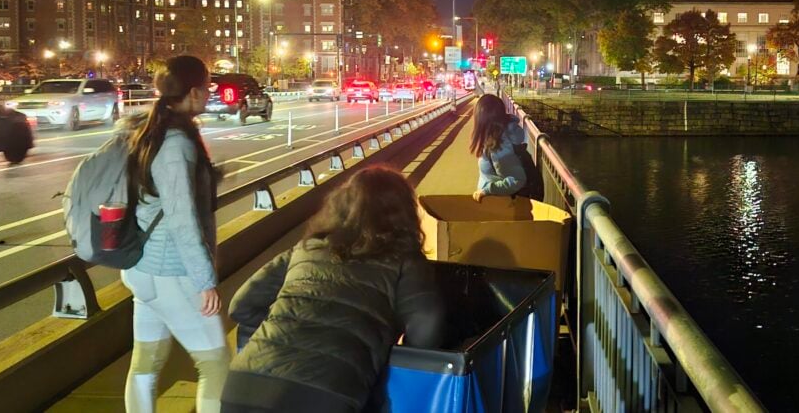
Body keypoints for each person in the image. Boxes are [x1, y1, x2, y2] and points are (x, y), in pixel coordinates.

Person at [221, 166, 445, 413]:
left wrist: (273, 341)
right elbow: (427, 324)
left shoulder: (307, 248)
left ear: (341, 205)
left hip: (245, 385)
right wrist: (393, 360)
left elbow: (241, 305)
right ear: (403, 213)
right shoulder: (405, 260)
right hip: (325, 394)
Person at [121, 55, 229, 413]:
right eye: (208, 85)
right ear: (195, 92)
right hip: (173, 272)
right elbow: (182, 218)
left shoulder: (149, 131)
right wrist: (204, 280)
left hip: (143, 268)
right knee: (215, 365)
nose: (209, 93)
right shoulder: (178, 143)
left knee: (146, 363)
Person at [470, 93, 526, 201]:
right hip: (494, 203)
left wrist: (487, 190)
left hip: (499, 205)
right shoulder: (493, 140)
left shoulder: (499, 148)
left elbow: (517, 180)